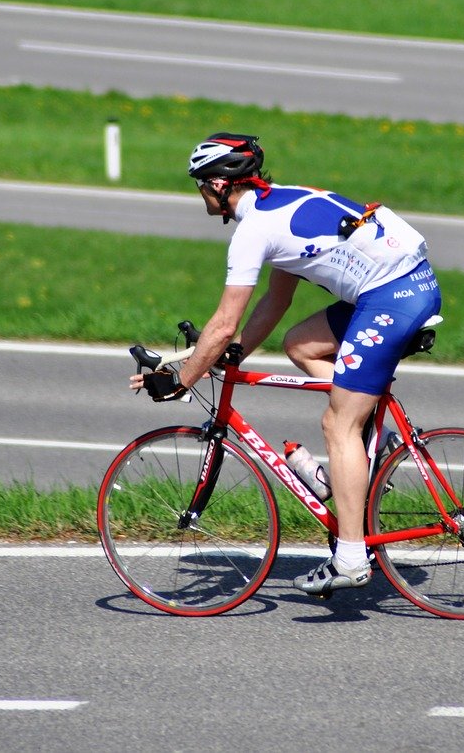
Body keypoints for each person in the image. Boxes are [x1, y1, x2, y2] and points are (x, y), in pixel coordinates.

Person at [130, 132, 442, 596]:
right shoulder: (277, 204)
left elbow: (223, 320)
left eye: (200, 183)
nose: (199, 193)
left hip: (391, 297)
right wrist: (236, 352)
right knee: (302, 344)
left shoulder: (253, 231)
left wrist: (181, 379)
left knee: (338, 425)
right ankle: (370, 432)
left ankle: (352, 558)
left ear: (219, 184)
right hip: (398, 285)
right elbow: (276, 301)